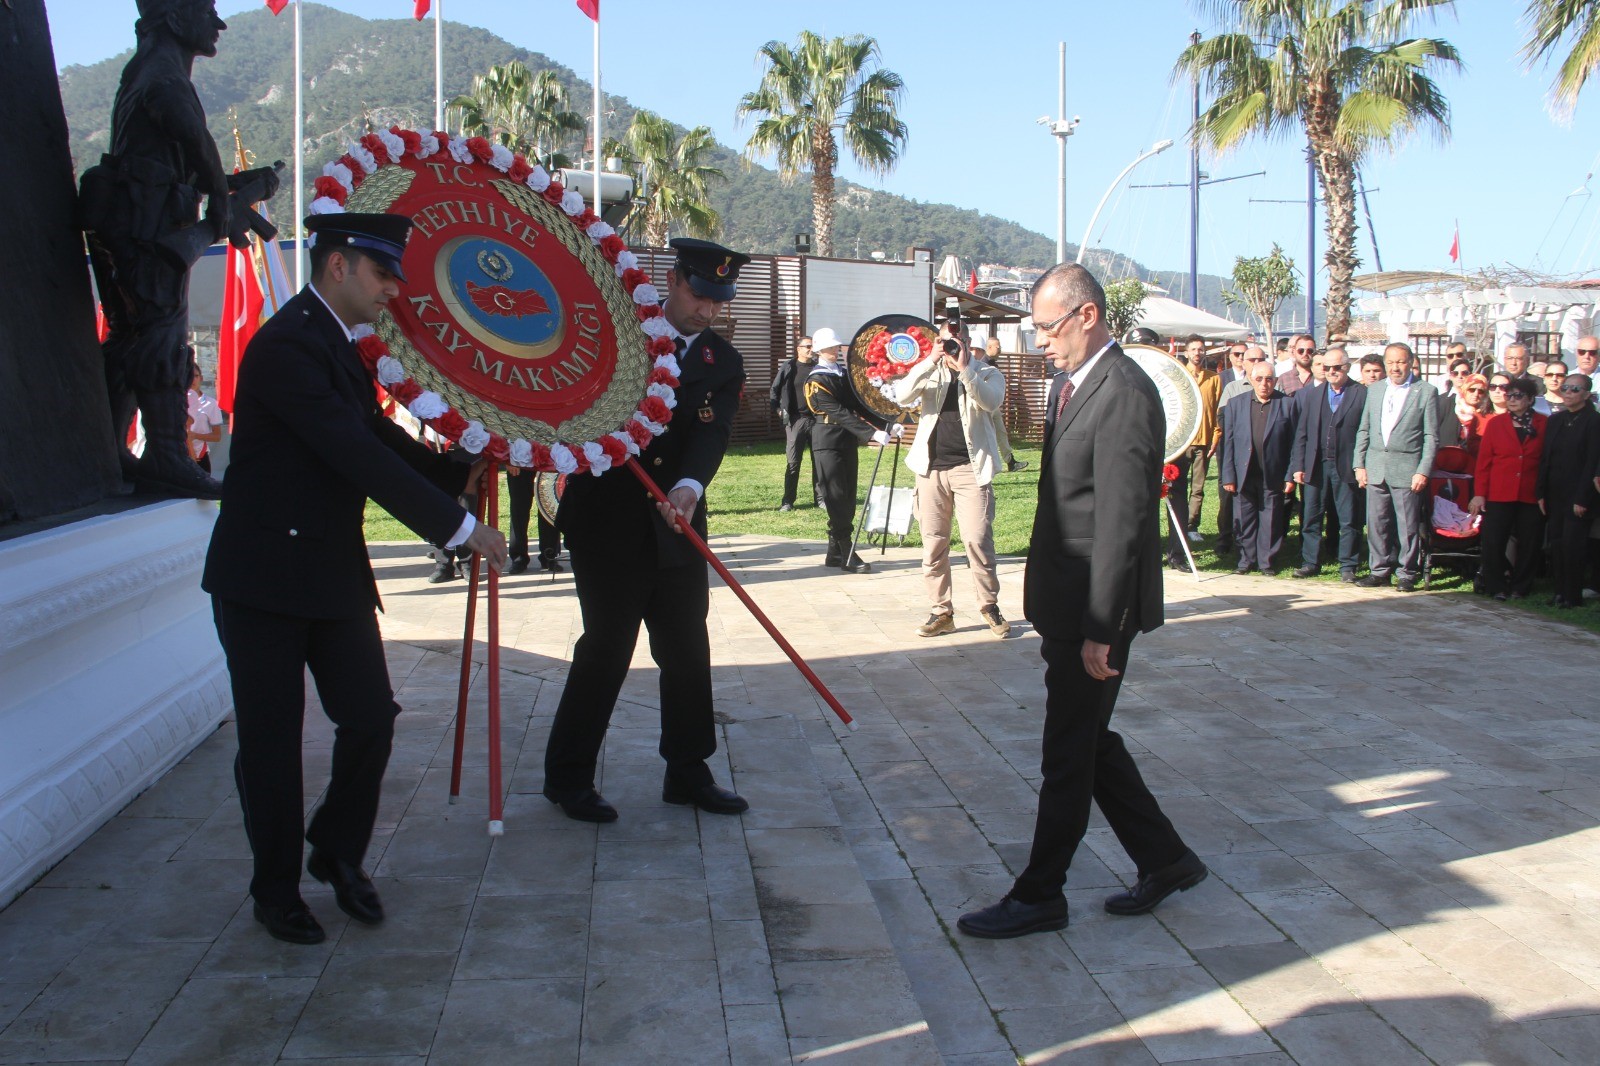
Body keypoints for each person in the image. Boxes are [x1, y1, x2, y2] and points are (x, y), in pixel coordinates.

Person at [202, 212, 508, 945]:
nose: (393, 290)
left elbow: (377, 435)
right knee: (274, 745)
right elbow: (351, 453)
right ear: (337, 266)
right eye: (382, 275)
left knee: (371, 719)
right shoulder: (284, 346)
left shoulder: (338, 349)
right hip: (262, 582)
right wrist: (462, 529)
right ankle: (275, 890)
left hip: (330, 574)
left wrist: (457, 467)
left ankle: (335, 850)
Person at [957, 263, 1205, 941]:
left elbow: (1125, 523)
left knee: (1067, 751)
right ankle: (1166, 858)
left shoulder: (1123, 391)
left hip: (1097, 613)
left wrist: (1103, 629)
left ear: (1087, 315)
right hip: (1069, 602)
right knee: (1088, 740)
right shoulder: (1076, 383)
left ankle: (1041, 894)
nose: (1039, 340)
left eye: (1046, 326)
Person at [542, 238, 752, 824]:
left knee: (687, 648)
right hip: (610, 521)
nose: (708, 311)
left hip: (677, 522)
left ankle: (688, 771)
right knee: (606, 649)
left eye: (719, 300)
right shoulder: (620, 336)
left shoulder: (721, 361)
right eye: (700, 295)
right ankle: (568, 777)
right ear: (673, 279)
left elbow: (713, 432)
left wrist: (690, 486)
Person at [892, 319, 1009, 638]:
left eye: (957, 341)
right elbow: (902, 395)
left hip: (971, 470)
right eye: (946, 341)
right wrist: (930, 359)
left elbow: (990, 401)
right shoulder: (931, 371)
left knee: (977, 540)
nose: (951, 347)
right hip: (930, 471)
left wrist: (966, 367)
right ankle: (941, 612)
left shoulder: (987, 372)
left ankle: (989, 605)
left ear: (969, 343)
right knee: (933, 544)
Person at [1353, 343, 1439, 592]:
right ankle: (1379, 570)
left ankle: (1407, 572)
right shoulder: (1376, 389)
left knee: (1407, 525)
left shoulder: (1425, 391)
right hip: (1376, 465)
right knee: (1376, 522)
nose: (1395, 367)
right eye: (1390, 362)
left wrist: (1423, 470)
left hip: (1407, 468)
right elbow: (1364, 428)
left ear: (1411, 361)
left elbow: (1431, 436)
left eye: (1400, 362)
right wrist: (1359, 464)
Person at [806, 326, 891, 573]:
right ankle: (847, 551)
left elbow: (857, 404)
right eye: (831, 346)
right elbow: (838, 412)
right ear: (820, 350)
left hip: (845, 439)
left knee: (848, 494)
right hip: (827, 439)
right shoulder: (816, 379)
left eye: (836, 346)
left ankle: (834, 553)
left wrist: (886, 423)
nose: (835, 349)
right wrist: (870, 433)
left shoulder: (842, 374)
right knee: (836, 495)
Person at [1289, 348, 1368, 580]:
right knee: (1311, 516)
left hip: (1346, 464)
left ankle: (1348, 566)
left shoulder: (1361, 394)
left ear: (1347, 368)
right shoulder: (1313, 395)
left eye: (1337, 367)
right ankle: (1310, 562)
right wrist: (1298, 465)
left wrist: (1361, 464)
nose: (1332, 372)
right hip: (1316, 464)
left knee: (1349, 519)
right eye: (1327, 367)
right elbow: (1301, 433)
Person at [1470, 376, 1547, 600]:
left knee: (1530, 542)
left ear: (1531, 399)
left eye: (1518, 395)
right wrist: (1479, 494)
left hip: (1530, 493)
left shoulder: (1544, 424)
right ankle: (1496, 585)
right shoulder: (1496, 423)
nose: (1511, 399)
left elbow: (1547, 460)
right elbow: (1484, 462)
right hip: (1499, 491)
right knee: (1493, 541)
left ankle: (1520, 587)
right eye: (1509, 395)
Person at [1220, 361, 1297, 574]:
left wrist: (1290, 475)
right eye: (1260, 379)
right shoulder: (1236, 404)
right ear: (1251, 380)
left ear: (1275, 381)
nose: (1264, 383)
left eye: (1269, 379)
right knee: (1244, 519)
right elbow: (1228, 442)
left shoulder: (1287, 405)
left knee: (1270, 519)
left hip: (1273, 473)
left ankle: (1267, 562)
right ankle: (1245, 560)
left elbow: (1294, 443)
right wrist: (1228, 475)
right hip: (1243, 472)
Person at [1538, 374, 1600, 608]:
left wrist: (1583, 497)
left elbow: (1593, 461)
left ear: (1586, 394)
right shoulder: (1556, 420)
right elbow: (1546, 459)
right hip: (1555, 493)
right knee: (1557, 545)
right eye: (1565, 388)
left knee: (1573, 546)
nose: (1568, 392)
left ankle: (1572, 595)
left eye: (1574, 389)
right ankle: (1559, 592)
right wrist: (1541, 492)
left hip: (1578, 495)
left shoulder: (1594, 421)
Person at [1212, 345, 1270, 555]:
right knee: (1228, 497)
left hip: (1262, 456)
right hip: (1235, 452)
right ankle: (1226, 538)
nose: (1256, 363)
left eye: (1260, 359)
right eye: (1251, 360)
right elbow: (1223, 419)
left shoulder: (1270, 386)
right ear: (1244, 363)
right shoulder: (1233, 388)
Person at [769, 335, 819, 511]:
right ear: (798, 349)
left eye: (812, 346)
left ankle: (820, 499)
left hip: (816, 420)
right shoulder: (789, 366)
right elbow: (775, 389)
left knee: (818, 461)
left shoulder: (817, 368)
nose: (810, 349)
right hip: (795, 421)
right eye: (807, 346)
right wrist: (777, 409)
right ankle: (788, 501)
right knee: (793, 462)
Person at [1183, 342, 1222, 545]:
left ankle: (1192, 525)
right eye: (1193, 349)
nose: (1197, 353)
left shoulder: (1214, 379)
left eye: (1200, 349)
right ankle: (1178, 525)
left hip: (1204, 440)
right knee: (1177, 487)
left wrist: (1216, 436)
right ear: (1186, 352)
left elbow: (1217, 410)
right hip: (1183, 441)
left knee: (1198, 488)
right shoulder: (1180, 375)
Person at [978, 336, 1028, 473]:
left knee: (1001, 432)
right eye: (997, 346)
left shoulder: (993, 363)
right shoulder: (984, 364)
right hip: (986, 406)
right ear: (989, 348)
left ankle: (1011, 462)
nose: (1000, 349)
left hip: (993, 406)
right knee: (987, 436)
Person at [505, 468, 562, 575]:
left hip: (547, 460)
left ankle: (549, 556)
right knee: (519, 510)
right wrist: (509, 459)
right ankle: (518, 558)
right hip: (519, 461)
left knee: (548, 507)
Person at [185, 361, 223, 473]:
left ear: (201, 378)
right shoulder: (178, 401)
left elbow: (217, 436)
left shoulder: (211, 404)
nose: (193, 380)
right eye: (189, 376)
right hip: (180, 455)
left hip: (200, 457)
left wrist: (195, 436)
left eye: (195, 376)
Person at [1441, 373, 1491, 456]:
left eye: (1481, 391)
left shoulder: (1486, 415)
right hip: (1445, 460)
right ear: (1465, 389)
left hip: (1471, 464)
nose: (1476, 394)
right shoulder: (1448, 404)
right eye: (1472, 389)